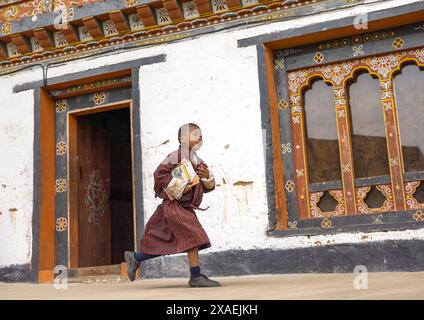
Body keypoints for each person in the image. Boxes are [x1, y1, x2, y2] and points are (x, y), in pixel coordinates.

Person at [124, 123, 221, 287]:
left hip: (185, 207)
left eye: (201, 134)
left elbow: (208, 187)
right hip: (174, 205)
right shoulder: (174, 156)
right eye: (195, 134)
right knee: (194, 236)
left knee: (169, 242)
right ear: (182, 138)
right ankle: (196, 276)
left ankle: (136, 258)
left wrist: (206, 177)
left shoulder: (198, 161)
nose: (200, 137)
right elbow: (159, 174)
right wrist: (180, 184)